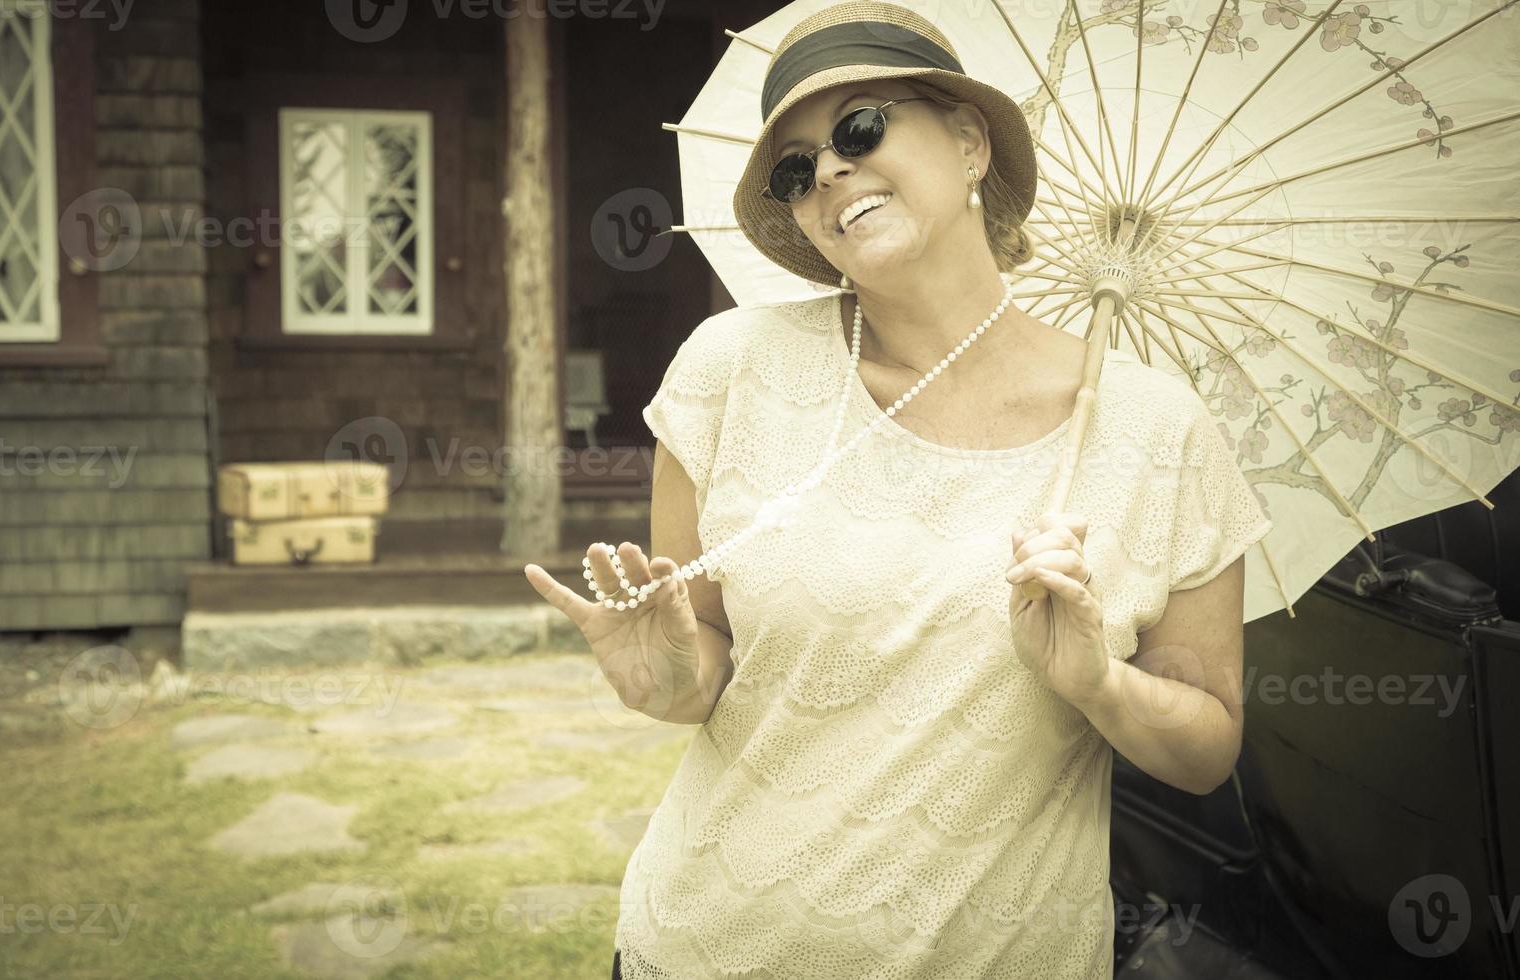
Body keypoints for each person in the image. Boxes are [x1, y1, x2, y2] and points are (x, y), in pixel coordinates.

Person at [524, 2, 1273, 977]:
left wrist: (1099, 682)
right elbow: (701, 666)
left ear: (968, 144)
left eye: (860, 128)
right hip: (706, 948)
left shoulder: (1156, 428)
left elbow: (1207, 744)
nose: (829, 168)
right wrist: (662, 677)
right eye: (796, 168)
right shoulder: (730, 369)